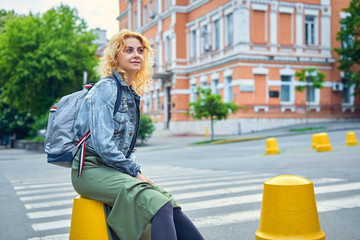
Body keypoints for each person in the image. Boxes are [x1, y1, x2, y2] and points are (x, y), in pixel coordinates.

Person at [71, 29, 204, 240]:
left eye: (140, 51)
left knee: (167, 201)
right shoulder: (106, 88)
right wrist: (135, 172)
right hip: (90, 170)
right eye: (129, 50)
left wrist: (135, 172)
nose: (136, 55)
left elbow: (127, 146)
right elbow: (104, 145)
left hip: (112, 169)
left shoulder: (130, 93)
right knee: (156, 203)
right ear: (116, 56)